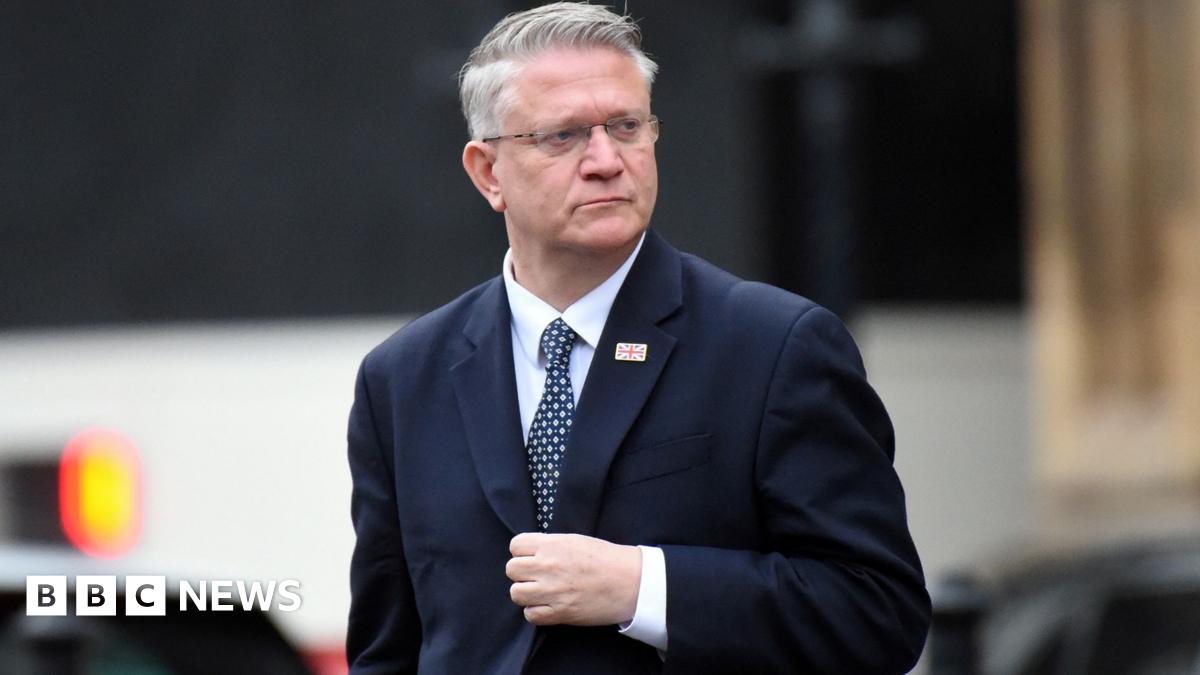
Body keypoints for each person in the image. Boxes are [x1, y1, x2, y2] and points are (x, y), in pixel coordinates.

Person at [346, 3, 930, 673]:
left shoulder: (774, 347)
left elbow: (877, 612)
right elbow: (388, 650)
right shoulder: (403, 379)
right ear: (487, 172)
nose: (605, 160)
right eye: (563, 135)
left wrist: (643, 587)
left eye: (626, 126)